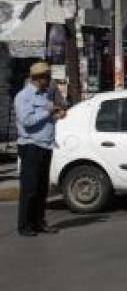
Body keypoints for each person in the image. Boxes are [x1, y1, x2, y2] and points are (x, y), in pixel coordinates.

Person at [15, 61, 66, 237]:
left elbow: (45, 118)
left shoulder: (44, 95)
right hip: (31, 146)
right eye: (47, 77)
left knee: (42, 188)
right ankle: (25, 225)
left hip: (45, 145)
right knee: (30, 188)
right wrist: (48, 113)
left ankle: (39, 222)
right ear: (38, 78)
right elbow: (27, 121)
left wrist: (56, 115)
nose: (50, 81)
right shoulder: (23, 97)